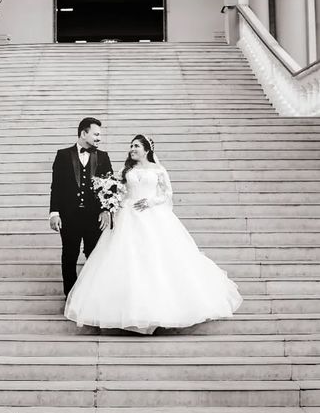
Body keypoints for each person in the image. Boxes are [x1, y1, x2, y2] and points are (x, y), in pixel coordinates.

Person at [64, 134, 243, 334]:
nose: (132, 149)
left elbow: (168, 193)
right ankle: (126, 309)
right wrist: (111, 198)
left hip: (151, 214)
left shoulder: (158, 170)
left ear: (147, 149)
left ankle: (159, 309)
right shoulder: (127, 170)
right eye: (131, 145)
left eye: (136, 146)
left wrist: (151, 202)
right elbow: (120, 191)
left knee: (157, 258)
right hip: (128, 216)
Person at [50, 117, 113, 297]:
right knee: (69, 256)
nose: (99, 138)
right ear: (84, 133)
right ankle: (70, 297)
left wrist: (105, 209)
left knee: (95, 256)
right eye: (96, 134)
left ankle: (93, 297)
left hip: (94, 218)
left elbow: (109, 186)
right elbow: (57, 186)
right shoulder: (62, 155)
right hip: (69, 217)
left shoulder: (103, 157)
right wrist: (54, 213)